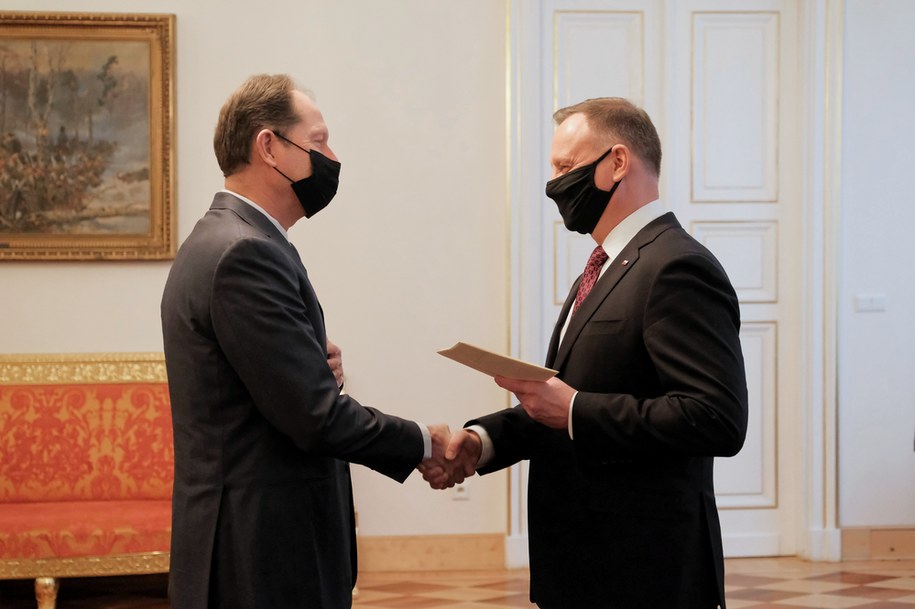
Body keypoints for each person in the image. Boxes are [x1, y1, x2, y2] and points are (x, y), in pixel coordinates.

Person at [436, 98, 749, 608]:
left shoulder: (677, 266)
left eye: (566, 167)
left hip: (646, 571)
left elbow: (716, 417)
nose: (554, 183)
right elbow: (566, 402)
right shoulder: (608, 263)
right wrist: (482, 440)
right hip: (585, 563)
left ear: (618, 162)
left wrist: (576, 409)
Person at [161, 74, 451, 609]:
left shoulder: (232, 237)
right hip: (261, 554)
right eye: (318, 141)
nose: (332, 157)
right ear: (269, 146)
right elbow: (314, 416)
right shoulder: (246, 253)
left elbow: (259, 383)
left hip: (249, 541)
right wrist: (425, 443)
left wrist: (311, 364)